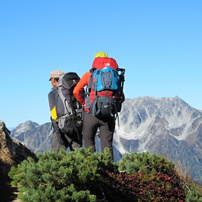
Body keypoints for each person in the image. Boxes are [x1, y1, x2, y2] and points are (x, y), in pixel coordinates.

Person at [73, 52, 124, 160]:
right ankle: (109, 172)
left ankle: (91, 170)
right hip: (109, 114)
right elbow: (121, 96)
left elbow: (76, 91)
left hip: (90, 112)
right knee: (107, 145)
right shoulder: (115, 76)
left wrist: (83, 103)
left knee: (88, 142)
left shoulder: (89, 75)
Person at [48, 70, 82, 152]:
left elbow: (54, 114)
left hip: (62, 127)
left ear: (54, 80)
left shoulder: (53, 94)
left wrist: (58, 134)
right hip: (77, 126)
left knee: (56, 158)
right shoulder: (74, 90)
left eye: (50, 80)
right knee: (78, 157)